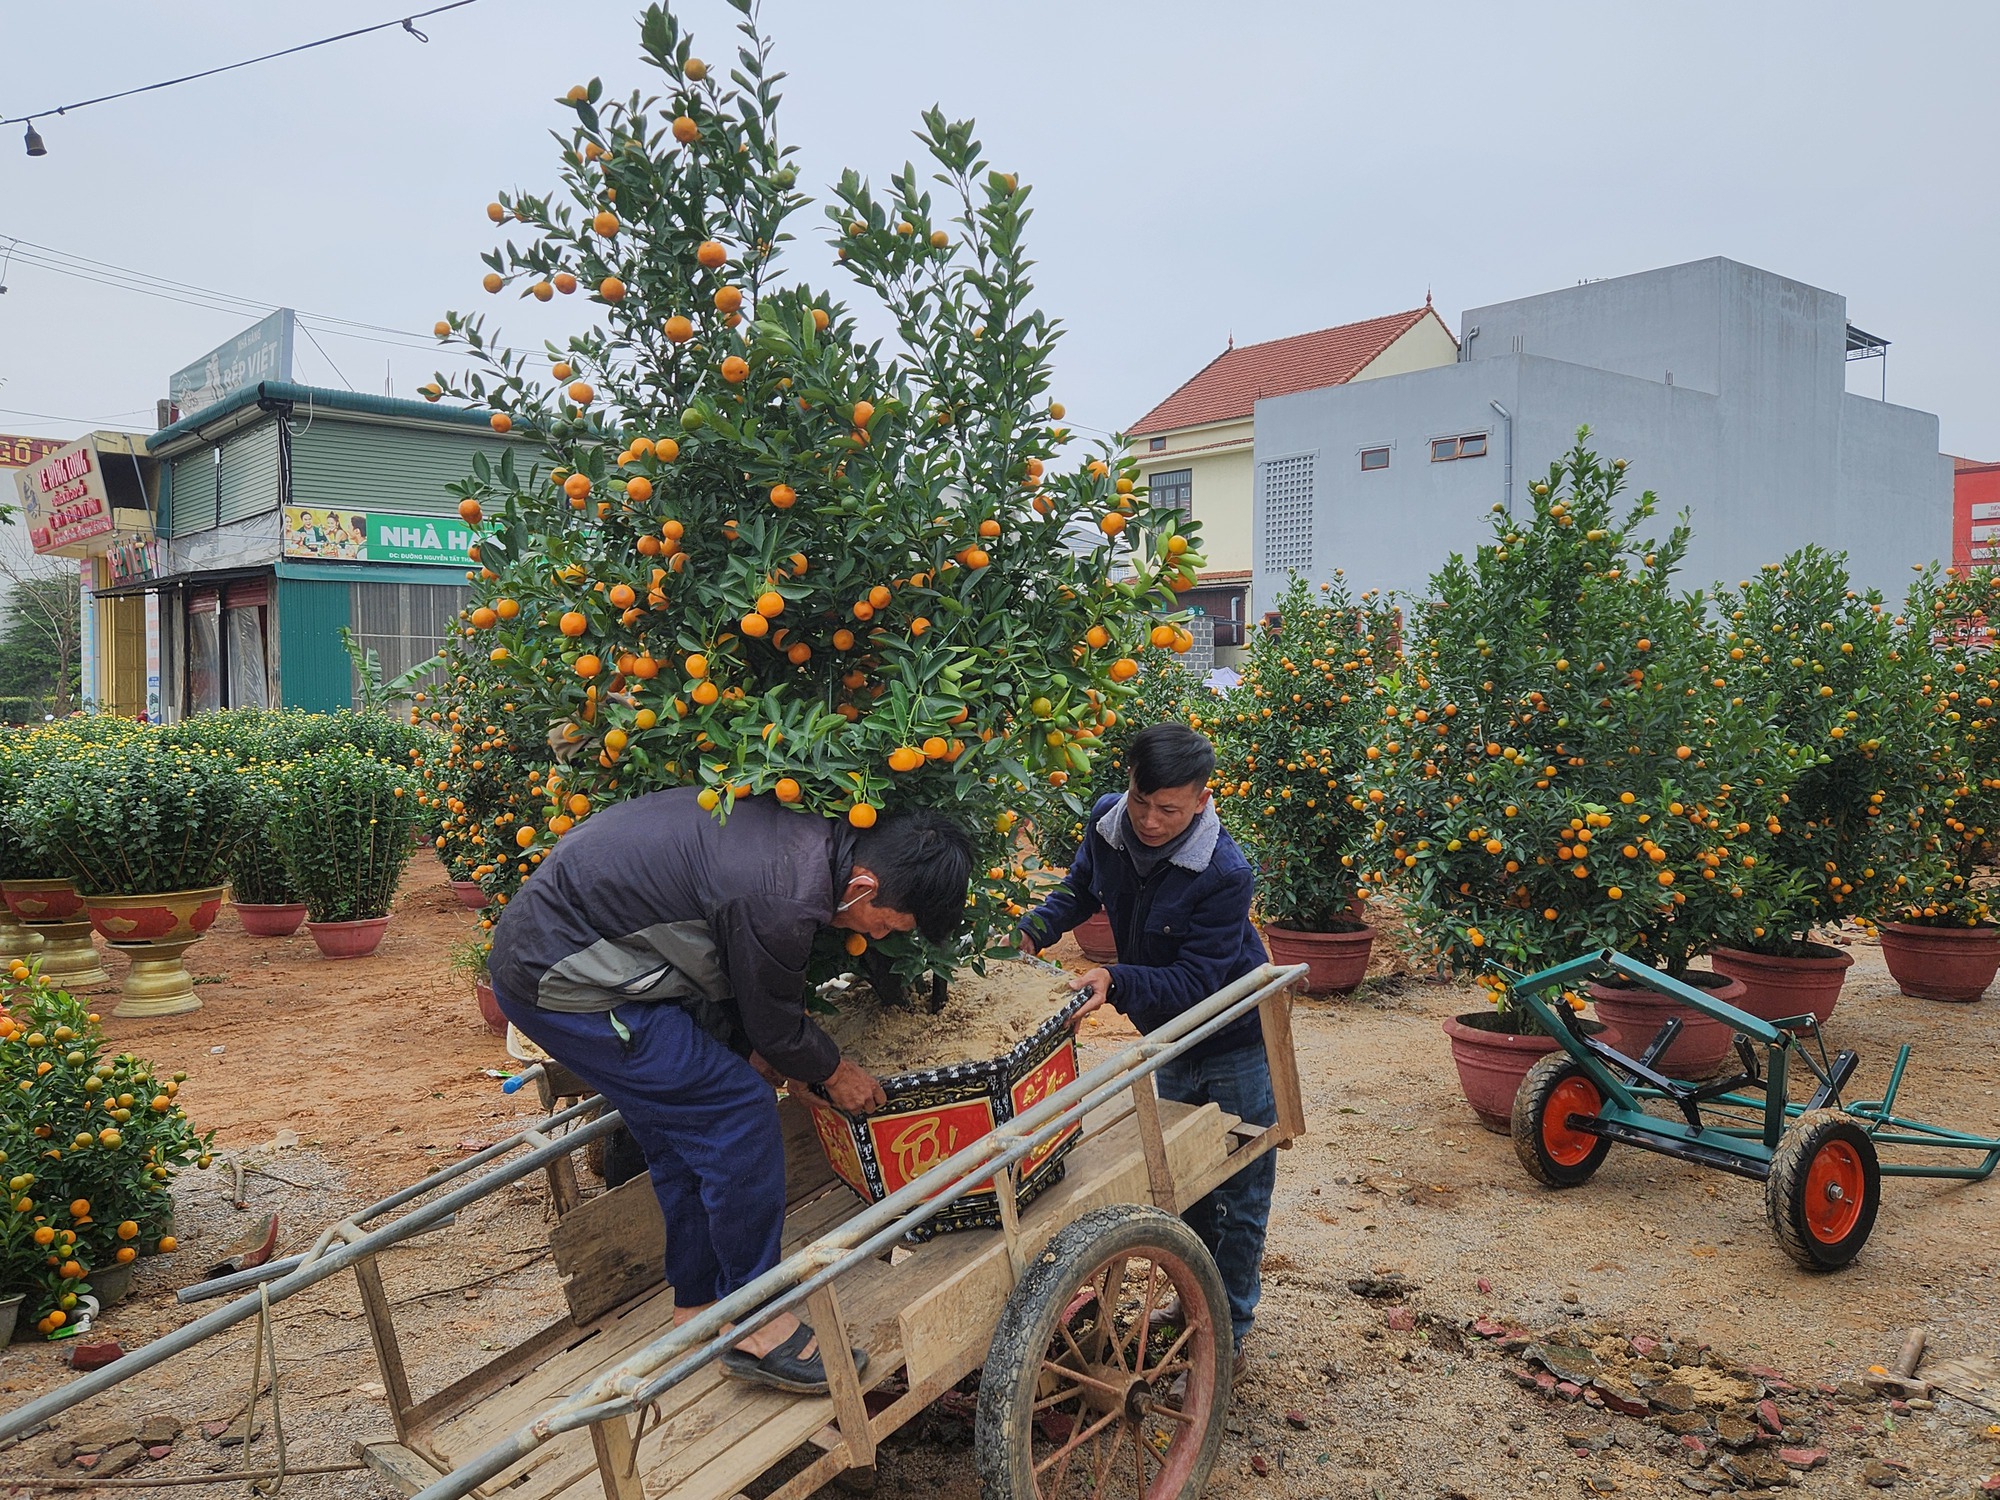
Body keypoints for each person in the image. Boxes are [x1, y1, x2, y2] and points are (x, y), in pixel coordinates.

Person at [490, 787, 974, 1394]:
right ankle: (754, 1319)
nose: (876, 938)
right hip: (568, 980)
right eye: (887, 925)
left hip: (584, 954)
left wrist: (772, 1054)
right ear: (866, 888)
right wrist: (832, 1070)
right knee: (740, 1111)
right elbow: (774, 1021)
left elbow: (734, 977)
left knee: (680, 1133)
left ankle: (699, 1307)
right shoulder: (783, 893)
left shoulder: (801, 844)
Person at [1016, 722, 1273, 1361]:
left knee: (1239, 1188)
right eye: (1141, 801)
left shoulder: (1223, 871)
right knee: (1184, 1180)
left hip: (1232, 1033)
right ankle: (1197, 1300)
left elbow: (1200, 981)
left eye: (1170, 810)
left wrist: (1115, 977)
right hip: (1170, 1040)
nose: (1151, 822)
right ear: (1126, 783)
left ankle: (1230, 1331)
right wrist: (1032, 931)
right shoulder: (1108, 823)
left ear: (1202, 800)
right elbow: (1081, 890)